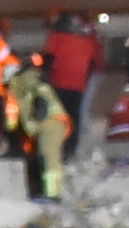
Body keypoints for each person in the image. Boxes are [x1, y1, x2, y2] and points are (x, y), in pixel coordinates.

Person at [4, 54, 70, 201]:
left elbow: (40, 89)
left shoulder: (22, 81)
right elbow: (13, 114)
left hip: (49, 121)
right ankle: (39, 192)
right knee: (38, 157)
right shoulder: (20, 84)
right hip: (40, 125)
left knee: (48, 156)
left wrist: (41, 104)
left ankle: (53, 194)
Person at [41, 11, 99, 158]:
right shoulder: (87, 43)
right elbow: (93, 63)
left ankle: (55, 147)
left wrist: (43, 79)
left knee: (56, 117)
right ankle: (70, 150)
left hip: (58, 83)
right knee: (73, 118)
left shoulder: (56, 38)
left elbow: (48, 60)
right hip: (77, 85)